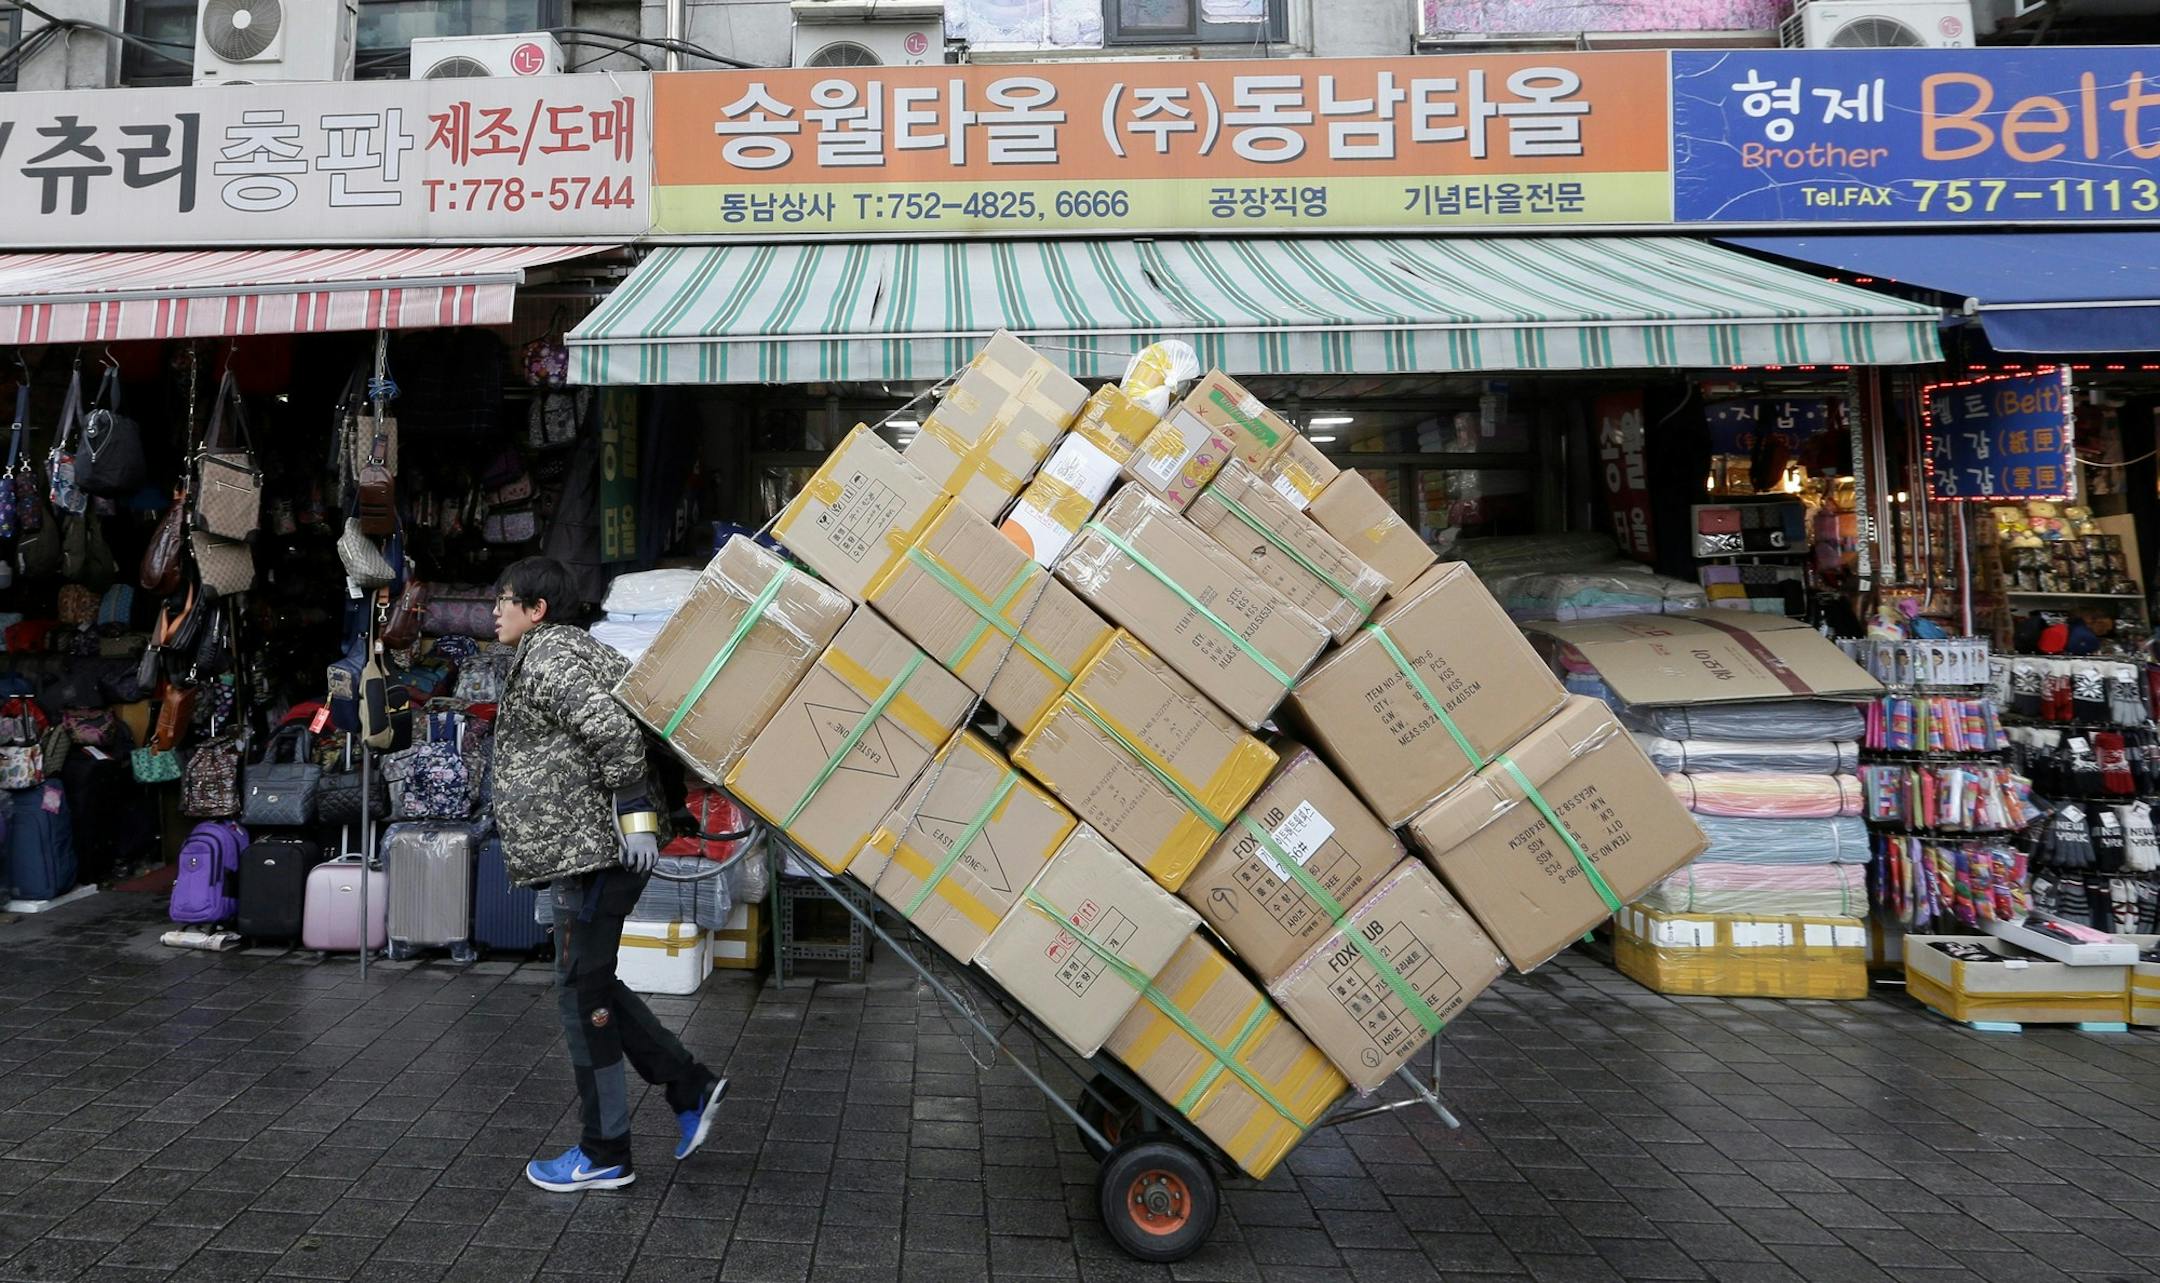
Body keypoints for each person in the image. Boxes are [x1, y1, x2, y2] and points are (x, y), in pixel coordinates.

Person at [489, 556, 727, 1192]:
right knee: (584, 981)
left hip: (597, 854)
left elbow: (613, 729)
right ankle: (687, 1085)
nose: (496, 610)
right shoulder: (573, 650)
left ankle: (606, 1152)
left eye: (506, 599)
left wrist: (633, 809)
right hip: (592, 853)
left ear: (536, 609)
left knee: (581, 993)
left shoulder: (548, 657)